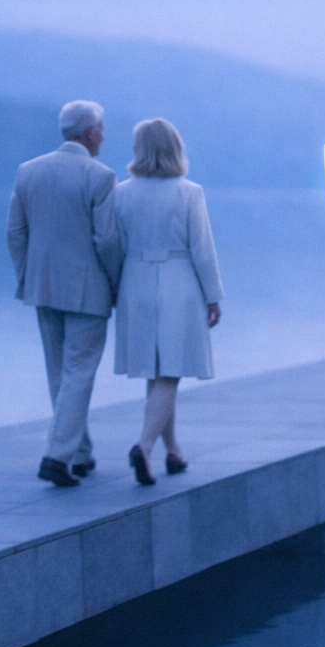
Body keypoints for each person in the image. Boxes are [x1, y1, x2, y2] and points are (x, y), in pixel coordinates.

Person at [7, 100, 124, 487]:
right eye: (101, 128)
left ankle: (80, 452)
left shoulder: (28, 171)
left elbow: (15, 233)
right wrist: (117, 283)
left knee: (60, 374)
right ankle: (56, 457)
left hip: (42, 286)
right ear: (89, 132)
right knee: (79, 374)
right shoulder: (101, 176)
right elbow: (107, 240)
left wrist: (28, 275)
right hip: (88, 290)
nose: (104, 135)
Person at [111, 118, 223, 485]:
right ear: (176, 147)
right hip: (179, 282)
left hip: (135, 282)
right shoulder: (189, 192)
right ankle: (143, 446)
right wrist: (213, 296)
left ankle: (172, 451)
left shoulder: (122, 192)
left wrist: (116, 288)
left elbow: (114, 246)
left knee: (156, 369)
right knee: (170, 370)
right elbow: (203, 251)